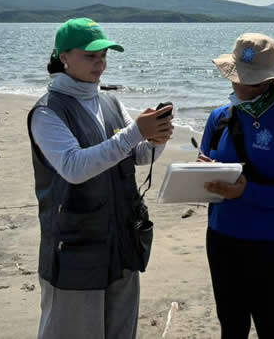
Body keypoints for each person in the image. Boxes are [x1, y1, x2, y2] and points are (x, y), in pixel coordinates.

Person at [27, 18, 174, 339]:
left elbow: (138, 156)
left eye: (104, 55)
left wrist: (156, 139)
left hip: (122, 242)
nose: (101, 63)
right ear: (64, 57)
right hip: (75, 250)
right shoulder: (47, 112)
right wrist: (136, 132)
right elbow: (74, 167)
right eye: (90, 56)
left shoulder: (110, 101)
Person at [199, 32, 274, 339]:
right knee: (231, 328)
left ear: (271, 81)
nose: (239, 85)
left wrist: (246, 191)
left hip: (272, 245)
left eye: (249, 81)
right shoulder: (218, 118)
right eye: (236, 77)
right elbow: (206, 177)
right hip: (221, 239)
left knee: (273, 330)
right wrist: (198, 174)